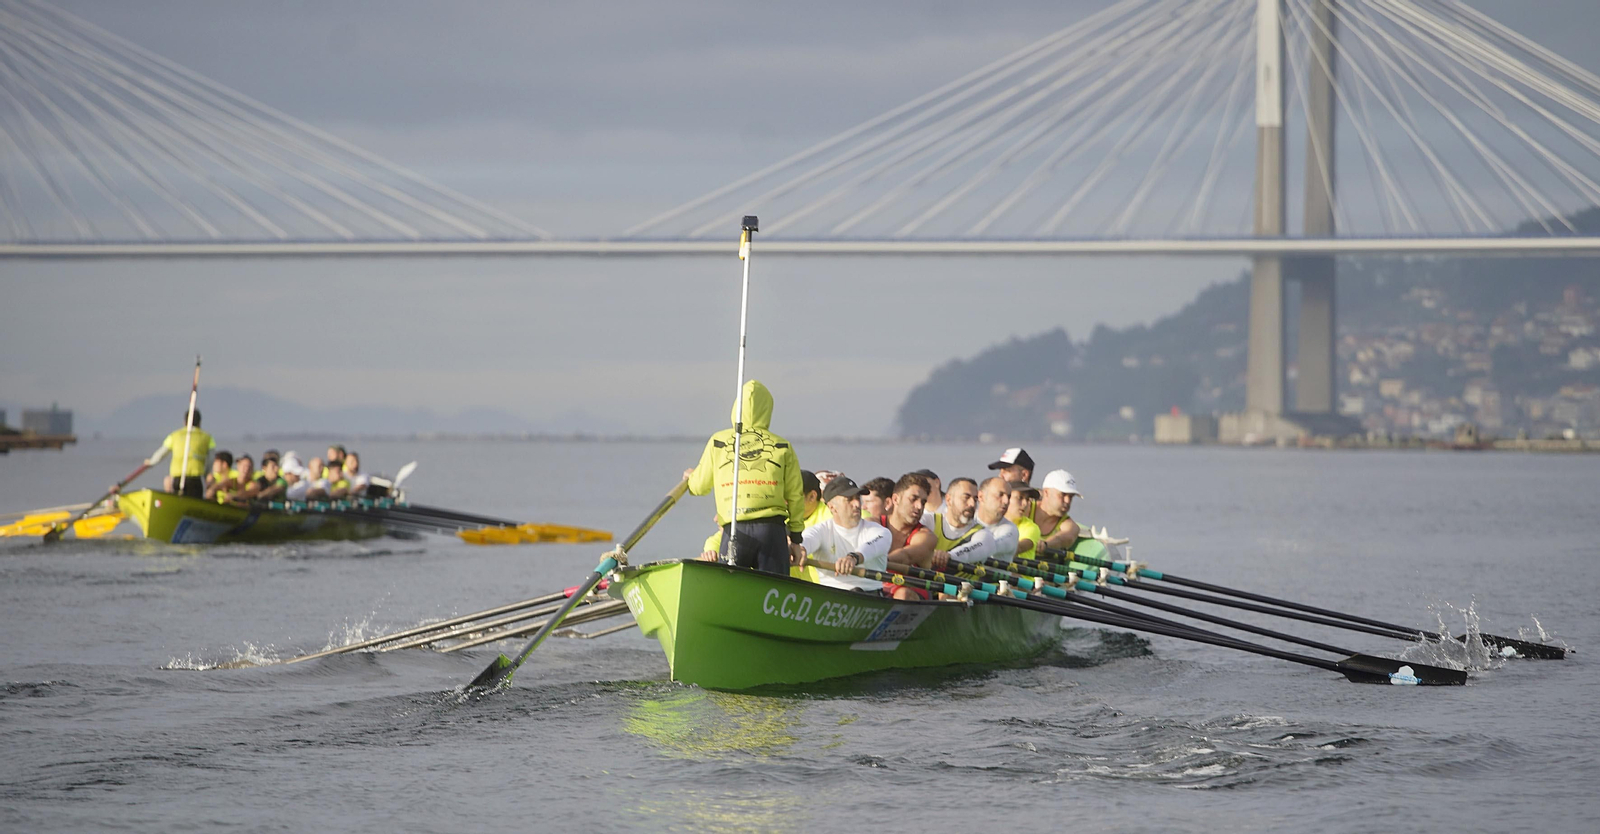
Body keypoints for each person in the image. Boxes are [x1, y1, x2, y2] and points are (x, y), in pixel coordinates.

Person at [684, 380, 806, 575]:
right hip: (772, 533)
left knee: (728, 591)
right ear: (768, 409)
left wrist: (691, 478)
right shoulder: (782, 446)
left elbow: (699, 487)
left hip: (734, 531)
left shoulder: (719, 442)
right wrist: (797, 539)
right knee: (773, 594)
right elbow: (795, 496)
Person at [800, 475, 891, 592]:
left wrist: (853, 558)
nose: (857, 504)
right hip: (829, 595)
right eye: (849, 499)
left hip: (870, 594)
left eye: (858, 498)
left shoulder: (880, 532)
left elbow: (871, 547)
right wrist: (801, 550)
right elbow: (807, 540)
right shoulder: (820, 530)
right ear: (832, 507)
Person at [878, 473, 942, 600]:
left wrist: (874, 562)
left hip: (912, 592)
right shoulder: (873, 524)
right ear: (896, 499)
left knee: (903, 594)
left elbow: (906, 556)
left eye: (923, 502)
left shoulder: (926, 537)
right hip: (877, 587)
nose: (919, 507)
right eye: (913, 499)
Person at [947, 477, 1022, 564]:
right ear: (981, 497)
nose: (1006, 501)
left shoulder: (1010, 530)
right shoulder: (966, 520)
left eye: (1008, 497)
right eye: (1000, 495)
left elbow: (987, 546)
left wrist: (950, 556)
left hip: (994, 577)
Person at [148, 410, 215, 497]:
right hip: (196, 479)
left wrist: (150, 462)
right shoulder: (207, 437)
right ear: (200, 422)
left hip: (177, 479)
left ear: (184, 422)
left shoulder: (174, 435)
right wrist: (206, 474)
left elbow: (160, 454)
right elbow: (211, 458)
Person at [925, 477, 981, 555]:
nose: (972, 504)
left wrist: (949, 556)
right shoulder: (929, 521)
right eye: (966, 497)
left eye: (975, 499)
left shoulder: (981, 532)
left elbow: (983, 546)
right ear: (949, 500)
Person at [1036, 469, 1085, 550]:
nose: (1067, 501)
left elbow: (1062, 539)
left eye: (1071, 497)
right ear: (1046, 493)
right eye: (1063, 494)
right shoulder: (1026, 509)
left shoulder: (1071, 526)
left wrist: (1045, 545)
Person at [1005, 481, 1043, 555]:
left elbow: (1019, 548)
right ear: (1006, 498)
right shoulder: (992, 522)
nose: (1025, 503)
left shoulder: (1031, 527)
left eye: (1027, 499)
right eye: (1020, 498)